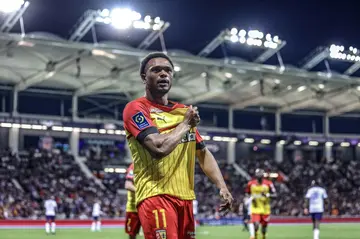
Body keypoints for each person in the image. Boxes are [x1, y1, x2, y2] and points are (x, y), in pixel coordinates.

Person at [123, 52, 234, 239]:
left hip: (186, 200)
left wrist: (222, 186)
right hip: (155, 196)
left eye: (168, 70)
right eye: (156, 70)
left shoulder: (183, 111)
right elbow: (158, 148)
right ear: (144, 77)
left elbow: (203, 153)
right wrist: (185, 124)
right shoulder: (136, 108)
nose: (163, 74)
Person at [246, 169, 277, 239]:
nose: (259, 175)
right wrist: (250, 198)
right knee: (256, 225)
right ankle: (255, 236)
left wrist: (267, 195)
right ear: (255, 175)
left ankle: (263, 236)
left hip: (265, 208)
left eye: (261, 174)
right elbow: (247, 193)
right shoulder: (250, 184)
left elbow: (275, 195)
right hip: (255, 207)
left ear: (263, 175)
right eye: (258, 174)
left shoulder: (268, 183)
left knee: (264, 228)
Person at [124, 163, 141, 239]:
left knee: (154, 233)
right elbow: (128, 185)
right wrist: (142, 192)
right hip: (133, 208)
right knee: (132, 234)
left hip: (148, 204)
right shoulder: (133, 166)